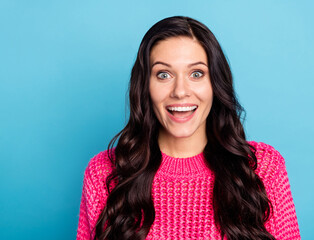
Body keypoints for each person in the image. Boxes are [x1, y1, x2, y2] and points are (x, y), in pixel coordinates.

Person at [76, 16, 300, 240]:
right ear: (145, 86)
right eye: (164, 74)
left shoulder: (263, 168)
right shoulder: (104, 173)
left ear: (215, 83)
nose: (180, 91)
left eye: (196, 74)